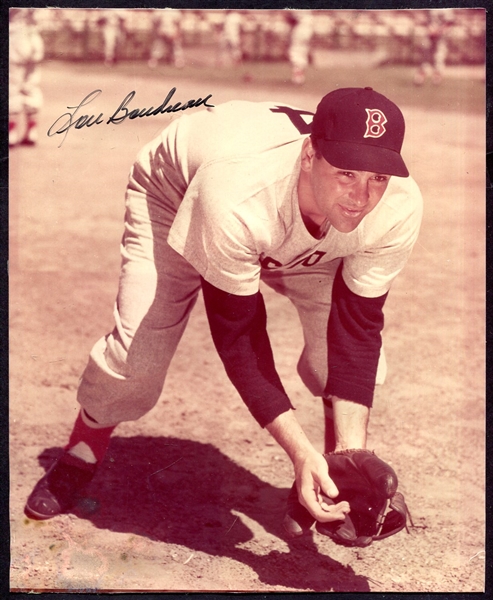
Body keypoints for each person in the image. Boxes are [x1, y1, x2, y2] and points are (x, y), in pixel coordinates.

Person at [24, 88, 423, 536]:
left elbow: (357, 330)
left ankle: (332, 475)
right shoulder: (238, 192)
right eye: (346, 172)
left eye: (378, 178)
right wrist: (297, 452)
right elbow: (239, 334)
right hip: (177, 193)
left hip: (286, 217)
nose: (361, 195)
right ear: (311, 153)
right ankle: (83, 450)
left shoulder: (397, 206)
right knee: (138, 365)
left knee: (350, 366)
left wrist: (353, 457)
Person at [9, 8, 45, 147]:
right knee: (31, 84)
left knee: (12, 84)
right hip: (34, 38)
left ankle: (11, 133)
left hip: (15, 37)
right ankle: (31, 131)